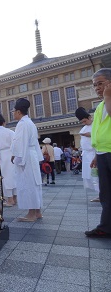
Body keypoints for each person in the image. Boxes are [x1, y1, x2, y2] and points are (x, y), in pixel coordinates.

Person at [86, 68, 111, 237]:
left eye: (100, 84)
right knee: (106, 193)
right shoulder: (101, 105)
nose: (97, 88)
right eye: (95, 85)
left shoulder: (107, 100)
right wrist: (97, 154)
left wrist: (108, 96)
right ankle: (105, 226)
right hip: (103, 153)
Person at [10, 98, 43, 221]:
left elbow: (19, 141)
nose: (13, 114)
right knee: (34, 183)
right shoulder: (30, 123)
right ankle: (38, 211)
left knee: (28, 184)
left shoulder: (23, 124)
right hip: (31, 154)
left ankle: (31, 214)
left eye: (14, 111)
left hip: (26, 155)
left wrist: (16, 155)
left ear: (18, 112)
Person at [74, 107, 99, 202]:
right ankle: (99, 193)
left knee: (97, 175)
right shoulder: (84, 128)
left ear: (89, 117)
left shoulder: (96, 125)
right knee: (91, 176)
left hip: (94, 153)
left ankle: (102, 194)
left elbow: (100, 135)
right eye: (82, 122)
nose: (84, 123)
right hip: (86, 155)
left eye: (85, 121)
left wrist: (91, 134)